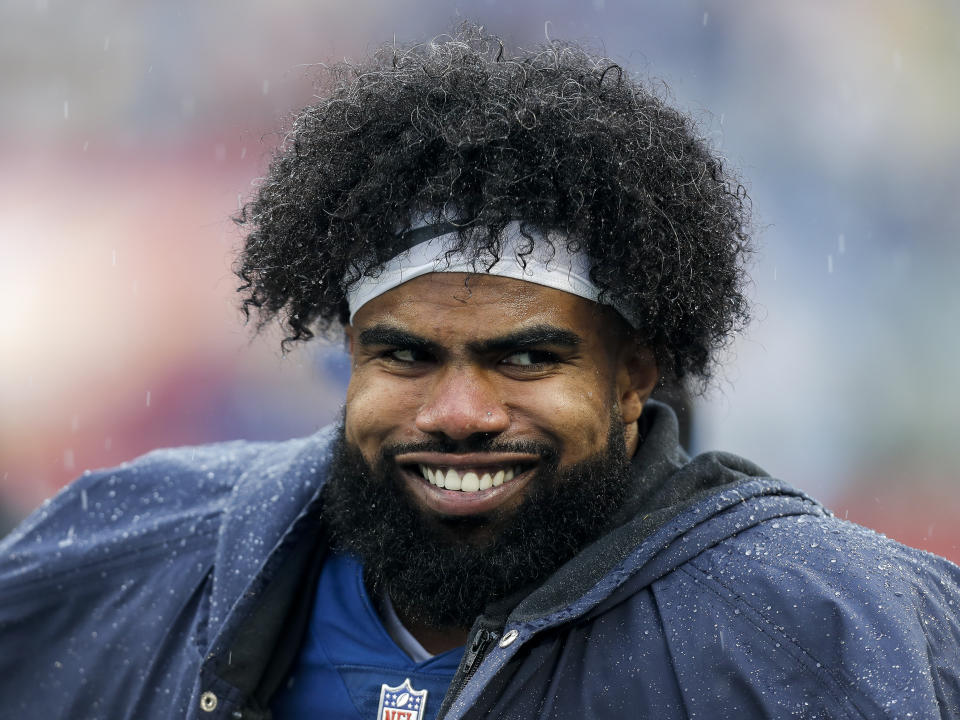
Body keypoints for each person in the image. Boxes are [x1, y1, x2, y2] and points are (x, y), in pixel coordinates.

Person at [2, 24, 959, 720]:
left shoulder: (831, 628)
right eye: (405, 356)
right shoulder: (127, 559)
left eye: (527, 357)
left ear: (635, 375)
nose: (459, 412)